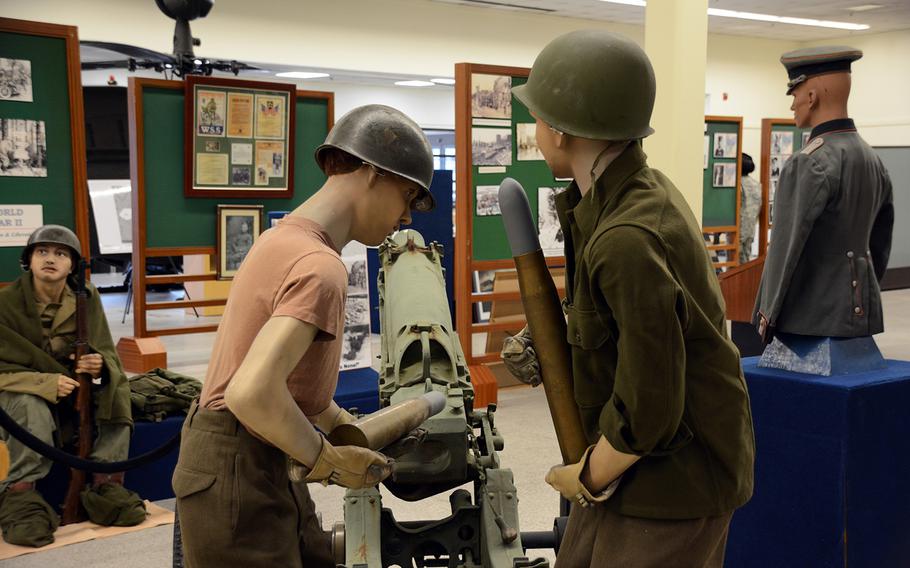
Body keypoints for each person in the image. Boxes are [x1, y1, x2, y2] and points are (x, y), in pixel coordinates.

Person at [501, 30, 754, 567]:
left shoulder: (626, 237)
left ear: (564, 129)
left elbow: (651, 407)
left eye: (540, 116)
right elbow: (628, 329)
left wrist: (587, 476)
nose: (536, 127)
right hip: (637, 464)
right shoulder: (618, 201)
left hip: (672, 479)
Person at [173, 104, 435, 567]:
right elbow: (251, 391)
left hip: (249, 456)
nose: (407, 218)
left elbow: (285, 380)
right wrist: (329, 462)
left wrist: (337, 424)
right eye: (407, 196)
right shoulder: (320, 267)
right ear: (372, 174)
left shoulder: (283, 238)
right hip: (242, 467)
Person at [0, 225, 145, 548]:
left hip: (74, 392)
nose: (50, 259)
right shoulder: (5, 304)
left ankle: (106, 483)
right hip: (22, 394)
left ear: (72, 264)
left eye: (60, 253)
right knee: (28, 406)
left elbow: (105, 350)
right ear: (29, 260)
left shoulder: (85, 297)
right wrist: (44, 383)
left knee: (118, 387)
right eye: (42, 252)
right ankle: (21, 496)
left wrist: (98, 363)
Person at [753, 46, 894, 343]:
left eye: (794, 95)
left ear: (812, 97)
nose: (792, 105)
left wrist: (766, 316)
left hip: (811, 317)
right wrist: (866, 290)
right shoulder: (871, 158)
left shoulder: (809, 161)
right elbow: (880, 240)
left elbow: (785, 247)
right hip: (860, 315)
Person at [739, 153, 761, 263]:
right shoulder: (756, 184)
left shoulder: (738, 184)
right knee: (746, 259)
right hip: (751, 227)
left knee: (736, 263)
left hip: (739, 228)